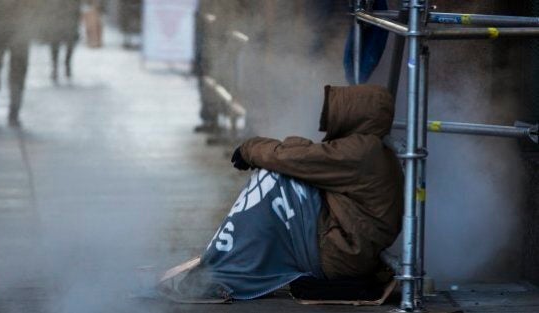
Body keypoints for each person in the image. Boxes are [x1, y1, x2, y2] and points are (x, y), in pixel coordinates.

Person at [161, 85, 404, 301]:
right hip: (345, 247)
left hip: (340, 254)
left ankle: (222, 271)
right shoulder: (370, 150)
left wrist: (249, 148)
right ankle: (227, 263)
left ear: (355, 113)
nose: (329, 118)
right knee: (280, 180)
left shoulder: (363, 152)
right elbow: (304, 158)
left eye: (338, 109)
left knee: (274, 180)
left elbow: (294, 158)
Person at [40, 0, 82, 83]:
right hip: (57, 13)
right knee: (55, 41)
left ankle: (67, 63)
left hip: (69, 13)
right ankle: (56, 66)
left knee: (69, 40)